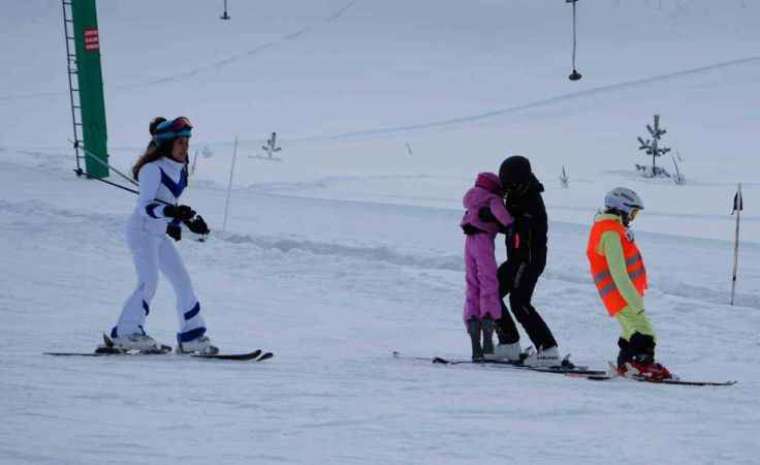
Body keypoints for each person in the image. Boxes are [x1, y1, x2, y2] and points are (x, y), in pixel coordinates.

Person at [106, 116, 217, 354]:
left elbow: (167, 205)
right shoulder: (151, 169)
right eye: (180, 143)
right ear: (167, 144)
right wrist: (172, 212)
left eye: (187, 143)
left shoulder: (180, 170)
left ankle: (192, 336)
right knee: (149, 282)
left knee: (183, 282)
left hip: (158, 233)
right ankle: (126, 332)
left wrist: (183, 222)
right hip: (142, 231)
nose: (185, 148)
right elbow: (145, 208)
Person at [586, 187, 671, 380]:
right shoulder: (609, 232)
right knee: (645, 332)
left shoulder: (613, 228)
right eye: (632, 213)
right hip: (621, 293)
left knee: (630, 331)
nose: (633, 218)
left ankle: (626, 364)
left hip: (621, 294)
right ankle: (641, 365)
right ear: (620, 209)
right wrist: (635, 301)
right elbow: (618, 273)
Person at [490, 155, 561, 366]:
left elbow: (517, 226)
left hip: (529, 260)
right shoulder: (516, 195)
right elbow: (509, 224)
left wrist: (494, 219)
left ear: (521, 180)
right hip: (516, 258)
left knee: (519, 303)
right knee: (489, 293)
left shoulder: (531, 200)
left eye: (511, 185)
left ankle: (548, 350)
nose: (508, 190)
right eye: (506, 186)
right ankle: (509, 343)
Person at [460, 172, 514, 360]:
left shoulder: (472, 200)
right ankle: (488, 343)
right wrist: (511, 226)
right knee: (489, 284)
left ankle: (475, 341)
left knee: (472, 285)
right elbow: (502, 216)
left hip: (469, 243)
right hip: (483, 242)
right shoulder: (492, 198)